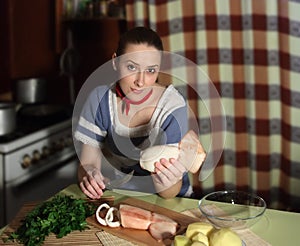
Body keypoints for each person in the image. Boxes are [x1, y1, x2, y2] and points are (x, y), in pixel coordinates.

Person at [74, 26, 194, 199]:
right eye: (131, 67)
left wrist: (166, 180)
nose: (141, 82)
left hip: (172, 199)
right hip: (123, 194)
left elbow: (169, 193)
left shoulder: (172, 106)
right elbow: (88, 162)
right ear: (115, 62)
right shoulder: (100, 99)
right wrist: (90, 175)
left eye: (151, 70)